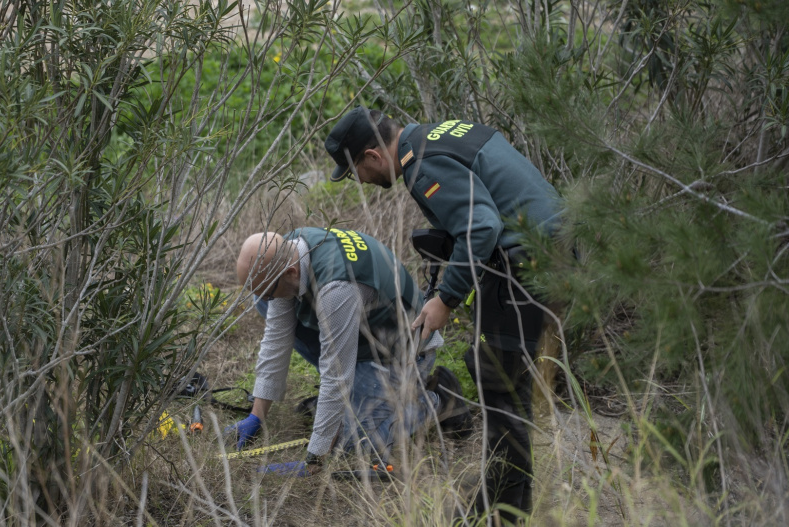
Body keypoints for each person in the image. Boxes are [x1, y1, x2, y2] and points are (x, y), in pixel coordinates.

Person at [324, 107, 563, 521]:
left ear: (372, 155)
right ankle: (502, 506)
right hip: (549, 255)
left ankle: (500, 515)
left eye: (356, 172)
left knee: (501, 388)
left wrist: (446, 299)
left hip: (526, 267)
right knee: (508, 389)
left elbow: (482, 227)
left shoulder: (422, 165)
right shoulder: (439, 136)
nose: (362, 182)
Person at [227, 227, 472, 476]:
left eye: (268, 291)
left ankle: (437, 402)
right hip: (362, 335)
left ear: (290, 272)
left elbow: (336, 376)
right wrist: (257, 416)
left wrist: (315, 459)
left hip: (399, 352)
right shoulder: (290, 248)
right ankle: (350, 401)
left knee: (353, 442)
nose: (267, 298)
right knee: (267, 305)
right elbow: (277, 339)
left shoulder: (336, 288)